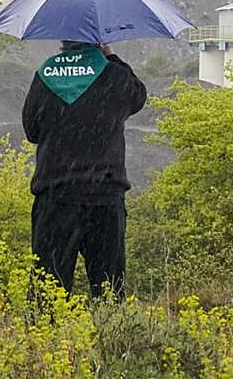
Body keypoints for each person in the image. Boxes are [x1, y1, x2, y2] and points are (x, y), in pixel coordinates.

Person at [21, 39, 147, 298]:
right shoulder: (114, 76)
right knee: (109, 290)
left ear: (63, 41)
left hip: (56, 195)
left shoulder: (46, 75)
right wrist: (111, 56)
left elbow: (32, 131)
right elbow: (138, 97)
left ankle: (47, 338)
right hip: (105, 195)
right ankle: (111, 336)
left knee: (48, 290)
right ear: (97, 41)